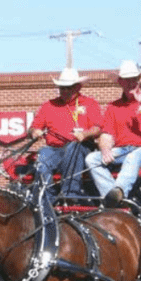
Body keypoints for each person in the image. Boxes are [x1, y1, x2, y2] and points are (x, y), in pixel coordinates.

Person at [85, 59, 141, 207]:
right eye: (126, 80)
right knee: (92, 159)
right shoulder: (114, 106)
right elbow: (106, 135)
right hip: (122, 149)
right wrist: (105, 149)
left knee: (132, 157)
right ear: (120, 82)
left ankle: (119, 192)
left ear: (140, 80)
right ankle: (114, 198)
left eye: (134, 79)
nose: (131, 83)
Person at [28, 67, 103, 200]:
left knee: (73, 147)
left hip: (82, 147)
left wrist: (85, 134)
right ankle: (47, 197)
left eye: (69, 87)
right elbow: (33, 128)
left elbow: (98, 128)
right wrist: (35, 132)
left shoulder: (90, 103)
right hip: (54, 149)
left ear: (78, 87)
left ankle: (70, 194)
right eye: (62, 87)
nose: (65, 91)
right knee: (42, 157)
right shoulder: (48, 106)